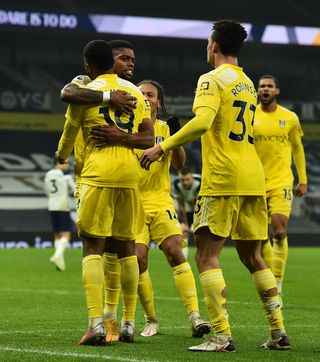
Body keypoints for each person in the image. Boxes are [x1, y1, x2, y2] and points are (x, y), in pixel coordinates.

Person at [140, 20, 290, 352]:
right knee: (254, 256)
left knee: (207, 255)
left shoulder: (211, 80)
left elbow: (203, 122)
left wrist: (161, 146)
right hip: (254, 177)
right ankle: (278, 332)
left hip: (223, 177)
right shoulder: (248, 83)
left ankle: (221, 335)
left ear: (214, 46)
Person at [90, 80, 211, 339]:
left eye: (150, 94)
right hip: (133, 200)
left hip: (160, 199)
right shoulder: (125, 125)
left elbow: (180, 166)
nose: (145, 98)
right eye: (142, 93)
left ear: (158, 101)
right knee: (139, 260)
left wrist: (176, 141)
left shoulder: (166, 129)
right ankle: (151, 319)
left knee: (174, 251)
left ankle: (195, 316)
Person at [55, 40, 153, 346]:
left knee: (93, 247)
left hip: (97, 175)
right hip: (130, 176)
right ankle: (127, 324)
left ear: (88, 65)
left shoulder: (83, 94)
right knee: (126, 248)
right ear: (112, 62)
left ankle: (96, 323)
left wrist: (60, 154)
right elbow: (148, 137)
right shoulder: (135, 92)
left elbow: (67, 138)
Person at [254, 75, 308, 304]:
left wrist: (302, 180)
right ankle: (270, 276)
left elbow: (298, 149)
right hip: (254, 181)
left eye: (269, 86)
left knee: (279, 230)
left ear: (277, 90)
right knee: (260, 235)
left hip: (281, 181)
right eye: (262, 86)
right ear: (258, 91)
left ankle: (277, 282)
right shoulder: (249, 115)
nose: (265, 89)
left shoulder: (290, 117)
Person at [44, 159, 75, 271]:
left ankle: (60, 263)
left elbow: (47, 191)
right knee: (66, 235)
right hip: (63, 206)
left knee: (57, 234)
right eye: (65, 162)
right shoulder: (65, 176)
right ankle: (56, 256)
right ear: (58, 163)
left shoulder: (48, 174)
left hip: (52, 205)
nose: (67, 165)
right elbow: (75, 189)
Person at [171, 166, 201, 258]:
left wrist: (197, 219)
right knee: (184, 231)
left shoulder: (200, 182)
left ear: (192, 177)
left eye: (187, 179)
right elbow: (181, 205)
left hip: (200, 206)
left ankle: (203, 254)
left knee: (201, 232)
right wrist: (186, 223)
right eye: (183, 180)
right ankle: (184, 258)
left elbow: (201, 202)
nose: (185, 182)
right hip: (187, 206)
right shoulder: (176, 184)